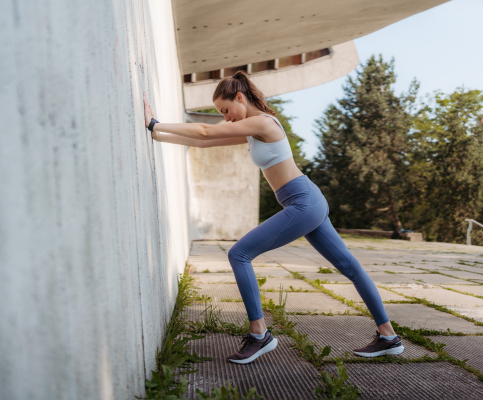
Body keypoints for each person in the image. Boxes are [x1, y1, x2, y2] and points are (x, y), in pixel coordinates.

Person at [142, 71, 404, 364]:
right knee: (350, 267)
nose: (226, 118)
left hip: (303, 202)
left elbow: (204, 131)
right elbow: (204, 143)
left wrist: (155, 122)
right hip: (306, 200)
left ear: (240, 97)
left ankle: (259, 335)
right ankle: (389, 337)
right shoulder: (252, 130)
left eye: (226, 110)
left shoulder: (263, 123)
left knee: (239, 254)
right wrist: (158, 133)